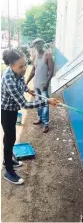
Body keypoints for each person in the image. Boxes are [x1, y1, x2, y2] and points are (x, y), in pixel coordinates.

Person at [1, 49, 60, 185]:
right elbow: (25, 104)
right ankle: (9, 171)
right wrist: (47, 100)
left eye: (25, 64)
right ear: (11, 65)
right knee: (10, 138)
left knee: (9, 137)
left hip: (13, 108)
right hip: (6, 111)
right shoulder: (8, 78)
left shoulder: (18, 72)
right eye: (20, 67)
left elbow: (21, 83)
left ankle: (7, 160)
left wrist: (27, 89)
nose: (24, 69)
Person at [26, 38, 54, 133]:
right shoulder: (35, 57)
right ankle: (40, 118)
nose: (37, 45)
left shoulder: (48, 55)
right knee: (38, 104)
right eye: (35, 44)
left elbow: (51, 71)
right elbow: (33, 71)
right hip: (36, 85)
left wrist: (47, 83)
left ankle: (46, 124)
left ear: (42, 44)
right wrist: (27, 81)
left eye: (39, 43)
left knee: (45, 104)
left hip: (43, 86)